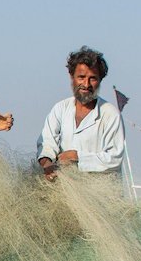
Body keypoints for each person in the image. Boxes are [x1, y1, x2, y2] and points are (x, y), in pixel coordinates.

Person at [35, 48, 125, 181]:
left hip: (98, 195)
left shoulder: (110, 114)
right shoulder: (60, 108)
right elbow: (47, 143)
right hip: (64, 189)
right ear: (72, 76)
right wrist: (47, 163)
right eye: (81, 77)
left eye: (93, 79)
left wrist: (77, 157)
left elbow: (114, 157)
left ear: (100, 80)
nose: (86, 84)